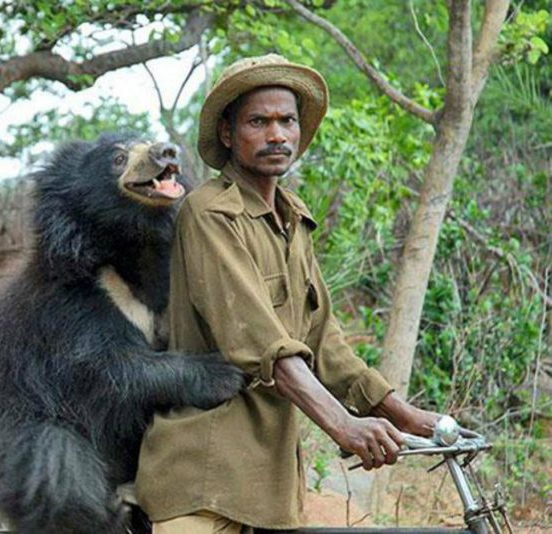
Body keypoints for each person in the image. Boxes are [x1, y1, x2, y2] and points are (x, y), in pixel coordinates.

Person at [134, 54, 439, 533]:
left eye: (287, 121)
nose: (277, 134)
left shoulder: (293, 218)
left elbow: (326, 347)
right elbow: (261, 344)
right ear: (228, 135)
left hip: (269, 484)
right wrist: (343, 425)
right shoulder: (211, 213)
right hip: (205, 476)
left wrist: (412, 417)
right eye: (259, 121)